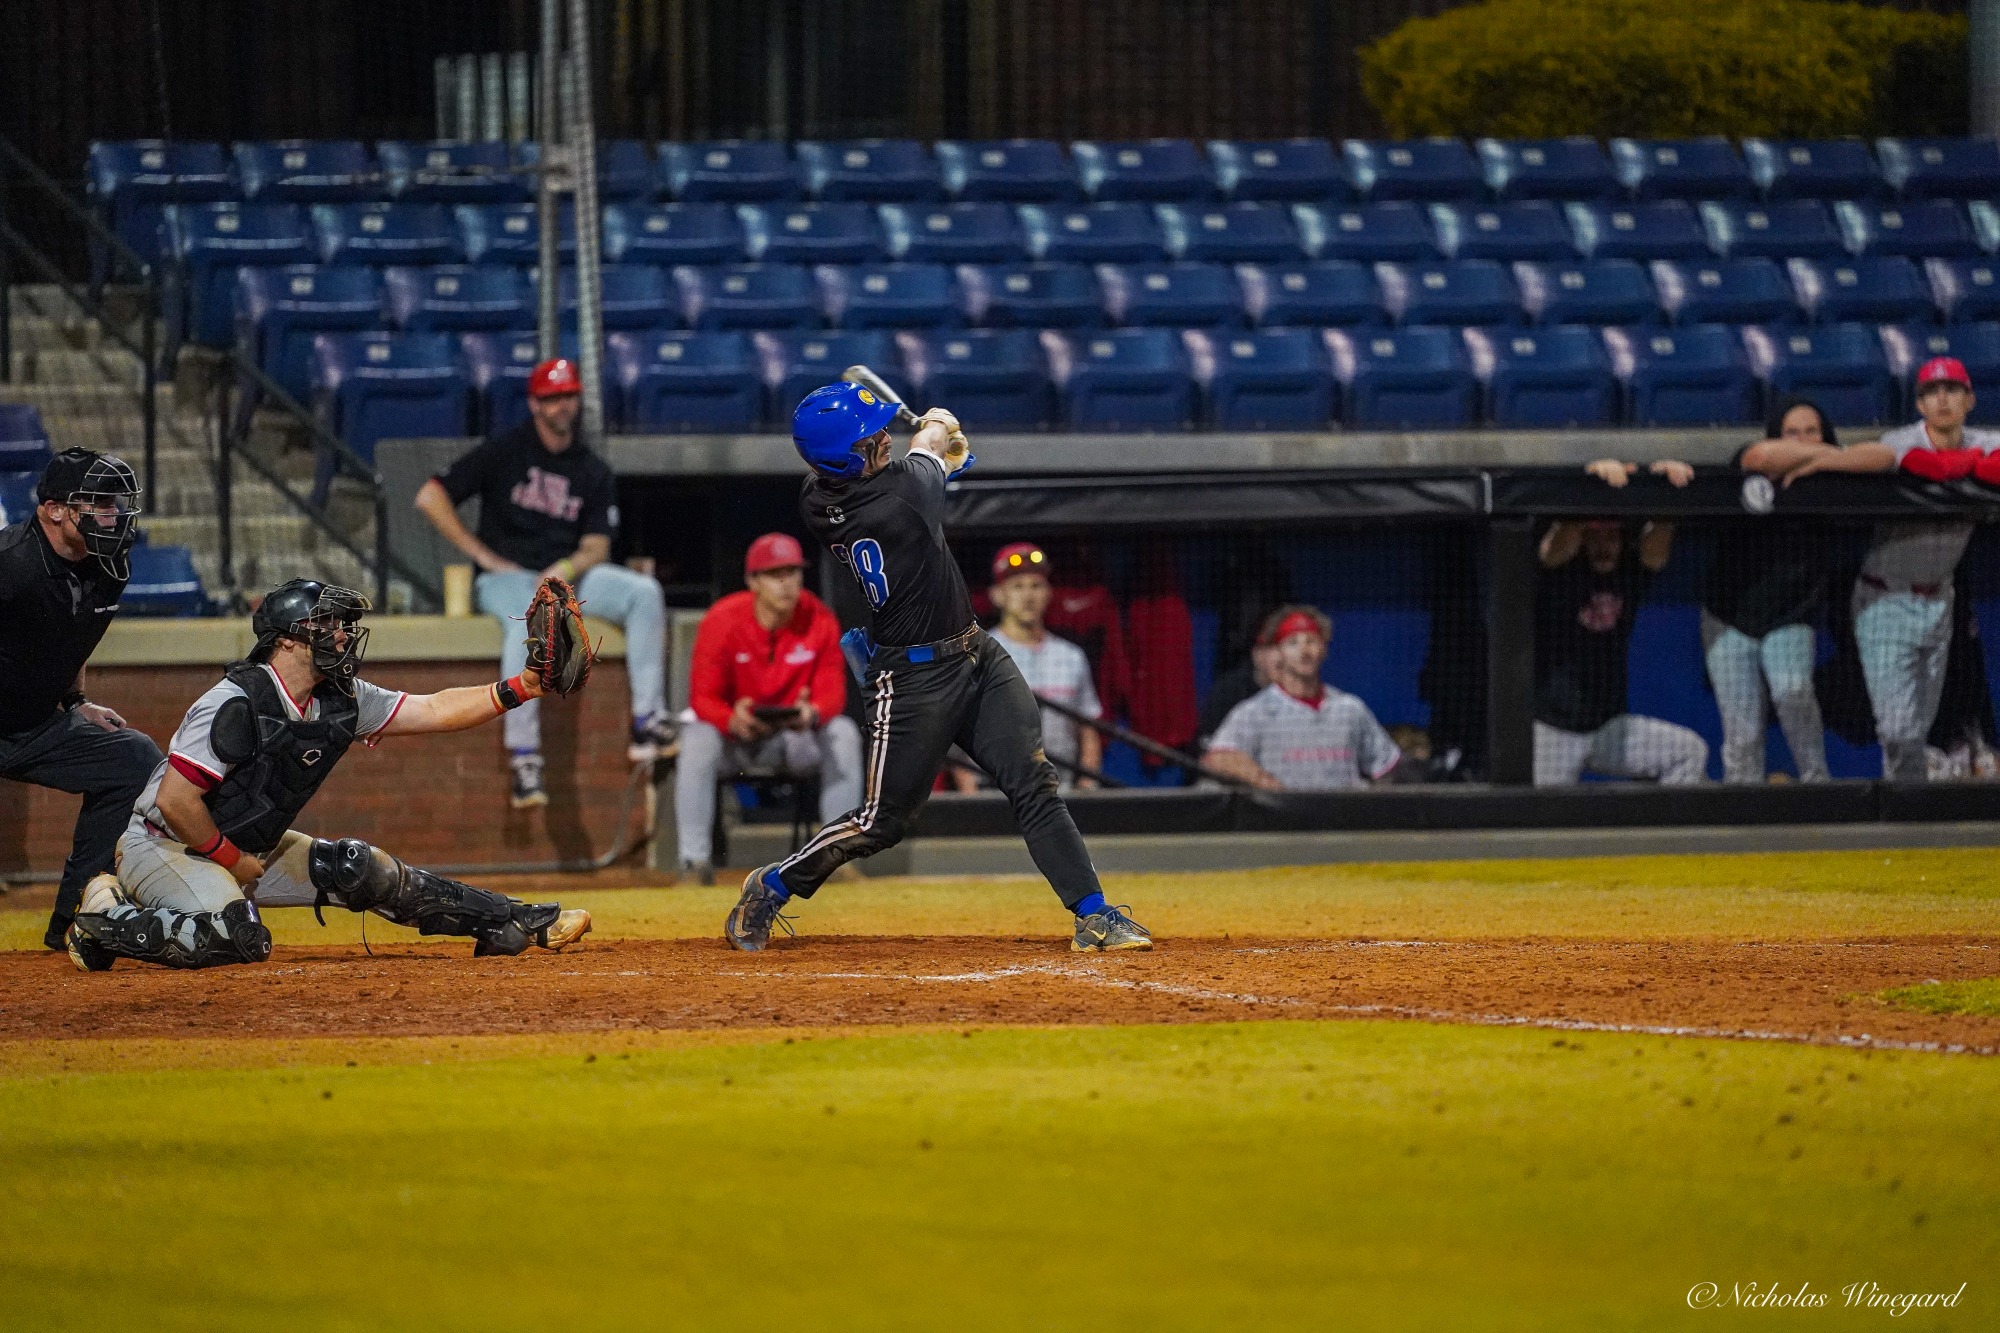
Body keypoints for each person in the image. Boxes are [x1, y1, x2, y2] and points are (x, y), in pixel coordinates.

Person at [721, 382, 1150, 954]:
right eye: (869, 442)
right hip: (911, 679)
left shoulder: (820, 494)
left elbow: (922, 469)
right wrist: (938, 427)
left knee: (1033, 781)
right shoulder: (896, 503)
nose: (880, 444)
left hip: (976, 654)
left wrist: (940, 459)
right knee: (881, 822)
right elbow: (925, 453)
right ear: (844, 459)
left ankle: (1094, 914)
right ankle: (771, 885)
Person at [63, 578, 592, 971]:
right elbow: (178, 802)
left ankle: (512, 920)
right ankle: (105, 915)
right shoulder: (235, 701)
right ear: (288, 640)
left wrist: (523, 687)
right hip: (163, 845)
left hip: (244, 845)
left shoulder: (339, 699)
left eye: (342, 626)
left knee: (360, 869)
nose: (341, 637)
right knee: (238, 938)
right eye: (327, 625)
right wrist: (232, 861)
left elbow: (434, 709)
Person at [414, 357, 674, 809]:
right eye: (552, 397)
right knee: (527, 621)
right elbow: (429, 495)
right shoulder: (506, 450)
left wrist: (567, 569)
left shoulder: (590, 468)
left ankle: (647, 720)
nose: (561, 405)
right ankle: (524, 756)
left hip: (566, 574)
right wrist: (480, 555)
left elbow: (596, 545)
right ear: (535, 403)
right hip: (507, 578)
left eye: (568, 395)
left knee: (644, 593)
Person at [1783, 356, 2000, 779]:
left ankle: (1910, 826)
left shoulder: (1982, 440)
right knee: (1898, 730)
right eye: (1931, 393)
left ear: (1969, 399)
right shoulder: (1904, 439)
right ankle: (1907, 813)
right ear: (1919, 404)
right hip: (1886, 597)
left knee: (1917, 729)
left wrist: (1966, 463)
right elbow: (1877, 455)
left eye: (1952, 390)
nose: (1942, 399)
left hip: (1940, 601)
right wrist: (1824, 460)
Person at [0, 447, 163, 950]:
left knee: (133, 758)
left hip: (31, 724)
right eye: (99, 503)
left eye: (115, 504)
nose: (113, 515)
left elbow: (77, 636)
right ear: (54, 510)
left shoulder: (111, 565)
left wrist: (76, 701)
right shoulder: (11, 565)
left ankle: (80, 918)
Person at [674, 532, 862, 885]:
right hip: (737, 739)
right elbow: (702, 698)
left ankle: (837, 856)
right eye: (776, 575)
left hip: (793, 739)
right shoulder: (723, 619)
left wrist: (811, 714)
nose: (787, 583)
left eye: (793, 573)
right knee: (696, 736)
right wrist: (732, 719)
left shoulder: (818, 618)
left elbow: (833, 694)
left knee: (843, 732)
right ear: (753, 581)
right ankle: (694, 863)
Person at [1533, 459, 1710, 786]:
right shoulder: (1559, 570)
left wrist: (1668, 487)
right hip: (1553, 728)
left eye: (1612, 537)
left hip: (1608, 727)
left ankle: (1657, 836)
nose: (1604, 547)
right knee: (1547, 825)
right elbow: (1555, 546)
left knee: (1689, 751)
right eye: (1595, 537)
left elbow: (1656, 548)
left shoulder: (1628, 573)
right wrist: (1590, 485)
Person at [1702, 398, 1836, 782]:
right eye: (1792, 432)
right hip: (1729, 616)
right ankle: (1741, 814)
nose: (1804, 439)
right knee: (1741, 732)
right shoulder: (1749, 459)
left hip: (1791, 615)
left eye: (1812, 431)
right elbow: (1761, 457)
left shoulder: (1836, 476)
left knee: (1793, 692)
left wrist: (1830, 459)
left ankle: (1818, 788)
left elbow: (1878, 457)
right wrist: (1822, 453)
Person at [1201, 605, 1402, 791]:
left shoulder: (1349, 708)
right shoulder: (1256, 712)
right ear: (1279, 652)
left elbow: (1386, 767)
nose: (1304, 652)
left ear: (1324, 649)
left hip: (1342, 821)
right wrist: (1265, 782)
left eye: (1311, 641)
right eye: (1293, 643)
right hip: (1284, 823)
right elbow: (1217, 759)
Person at [980, 542, 1104, 787]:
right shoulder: (981, 654)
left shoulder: (1071, 656)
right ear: (998, 595)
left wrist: (1088, 787)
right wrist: (971, 798)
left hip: (1060, 792)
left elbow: (1088, 730)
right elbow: (955, 737)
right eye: (1017, 587)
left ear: (1048, 593)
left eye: (1036, 586)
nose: (1028, 596)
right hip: (997, 793)